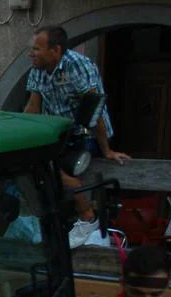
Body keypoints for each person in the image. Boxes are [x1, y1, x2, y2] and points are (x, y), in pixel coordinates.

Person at [23, 26, 130, 246]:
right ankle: (53, 218)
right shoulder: (38, 69)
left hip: (86, 133)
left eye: (36, 49)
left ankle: (87, 216)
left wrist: (106, 149)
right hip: (59, 135)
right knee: (33, 165)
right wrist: (18, 133)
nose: (31, 53)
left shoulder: (78, 66)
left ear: (55, 50)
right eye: (31, 49)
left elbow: (94, 109)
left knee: (57, 168)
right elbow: (33, 107)